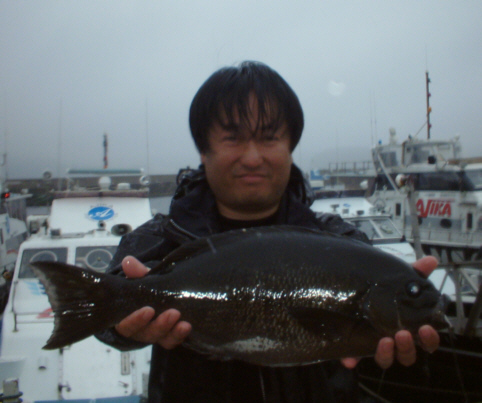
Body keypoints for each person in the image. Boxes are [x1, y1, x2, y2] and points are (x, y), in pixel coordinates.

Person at [96, 61, 440, 402]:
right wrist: (123, 323)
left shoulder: (341, 240)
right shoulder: (160, 238)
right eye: (233, 138)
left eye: (269, 138)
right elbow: (106, 311)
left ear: (290, 146)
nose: (252, 157)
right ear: (204, 149)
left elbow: (388, 347)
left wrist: (405, 348)